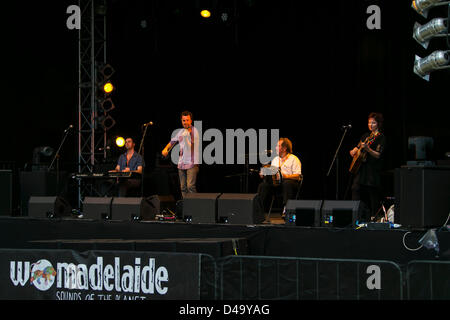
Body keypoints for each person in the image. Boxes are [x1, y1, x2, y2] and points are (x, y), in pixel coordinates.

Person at [349, 112, 386, 221]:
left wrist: (368, 149)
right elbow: (357, 148)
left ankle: (374, 215)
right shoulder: (365, 136)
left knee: (372, 192)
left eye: (373, 123)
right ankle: (355, 214)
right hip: (362, 168)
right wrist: (353, 151)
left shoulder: (381, 137)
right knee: (355, 188)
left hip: (372, 169)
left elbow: (378, 155)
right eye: (369, 123)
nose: (371, 125)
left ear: (378, 124)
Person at [257, 138, 302, 215]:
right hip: (277, 185)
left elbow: (298, 176)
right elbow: (272, 173)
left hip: (290, 184)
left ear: (284, 148)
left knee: (287, 183)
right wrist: (264, 174)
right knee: (263, 185)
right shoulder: (275, 159)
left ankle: (286, 209)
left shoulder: (294, 159)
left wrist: (285, 176)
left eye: (278, 146)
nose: (275, 148)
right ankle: (258, 209)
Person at [162, 111, 200, 198]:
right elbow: (172, 141)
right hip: (182, 163)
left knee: (190, 186)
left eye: (187, 120)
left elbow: (192, 148)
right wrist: (165, 148)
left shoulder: (194, 131)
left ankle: (194, 206)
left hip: (192, 163)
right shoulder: (181, 131)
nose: (185, 122)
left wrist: (186, 138)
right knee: (183, 187)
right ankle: (186, 207)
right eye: (183, 120)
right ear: (181, 121)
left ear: (191, 121)